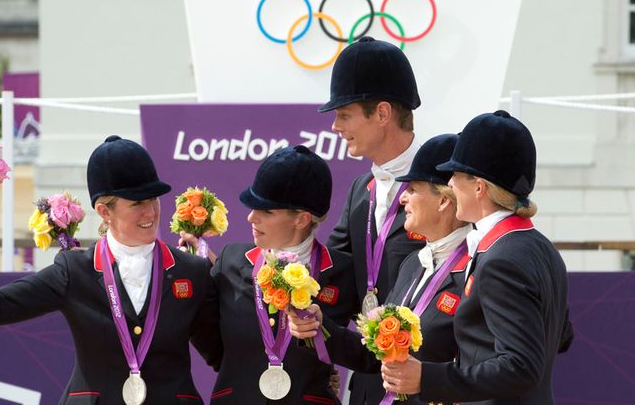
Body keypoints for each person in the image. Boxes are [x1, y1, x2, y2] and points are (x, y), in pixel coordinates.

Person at [0, 135, 220, 404]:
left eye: (154, 199)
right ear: (104, 211)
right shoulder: (74, 270)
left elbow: (223, 355)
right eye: (137, 203)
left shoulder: (191, 271)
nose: (150, 212)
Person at [381, 111, 574, 404]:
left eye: (456, 176)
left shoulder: (501, 258)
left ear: (479, 187)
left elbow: (521, 366)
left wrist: (428, 378)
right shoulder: (541, 249)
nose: (452, 185)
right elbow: (561, 338)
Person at [288, 134, 472, 405]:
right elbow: (373, 356)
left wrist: (428, 379)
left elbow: (485, 369)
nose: (403, 198)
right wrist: (318, 326)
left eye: (412, 189)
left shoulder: (476, 267)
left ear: (444, 201)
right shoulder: (413, 264)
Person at [182, 145, 357, 404]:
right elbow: (210, 343)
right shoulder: (230, 261)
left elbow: (370, 355)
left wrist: (323, 333)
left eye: (266, 211)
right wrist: (193, 272)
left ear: (302, 219)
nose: (252, 217)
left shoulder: (343, 271)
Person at [318, 36, 427, 403]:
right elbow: (330, 276)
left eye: (344, 114)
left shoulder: (447, 186)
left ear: (381, 114)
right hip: (369, 384)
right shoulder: (359, 191)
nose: (335, 126)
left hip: (430, 383)